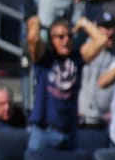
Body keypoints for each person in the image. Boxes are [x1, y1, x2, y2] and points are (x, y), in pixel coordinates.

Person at [25, 16, 107, 150]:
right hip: (43, 132)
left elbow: (102, 40)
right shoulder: (44, 59)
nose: (66, 40)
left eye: (69, 36)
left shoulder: (77, 58)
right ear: (51, 40)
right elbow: (33, 39)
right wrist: (35, 22)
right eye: (61, 37)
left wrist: (84, 23)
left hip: (70, 132)